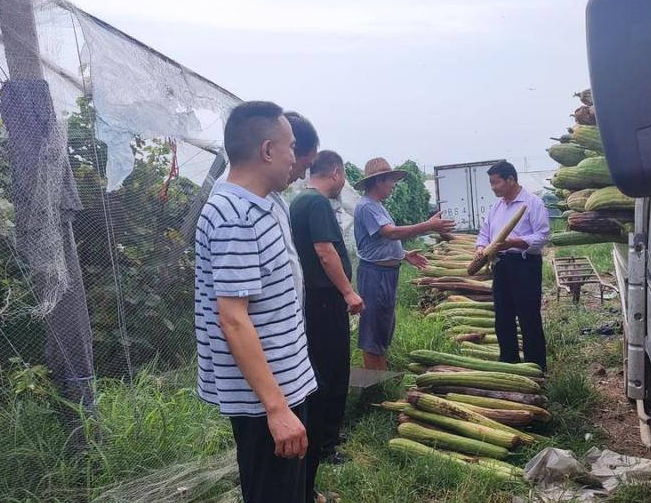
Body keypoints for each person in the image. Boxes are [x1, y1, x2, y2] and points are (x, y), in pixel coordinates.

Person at [195, 101, 316, 503]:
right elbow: (233, 319)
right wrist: (277, 409)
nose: (294, 159)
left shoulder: (267, 203)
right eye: (291, 148)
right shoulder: (234, 215)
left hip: (284, 385)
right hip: (265, 400)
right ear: (267, 151)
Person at [290, 150, 363, 502]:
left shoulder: (297, 201)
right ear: (335, 173)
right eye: (343, 177)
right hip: (324, 298)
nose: (343, 184)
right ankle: (324, 445)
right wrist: (348, 291)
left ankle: (325, 435)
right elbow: (324, 251)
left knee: (322, 367)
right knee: (333, 369)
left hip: (312, 299)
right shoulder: (317, 203)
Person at [353, 157, 456, 370]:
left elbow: (380, 242)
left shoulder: (377, 206)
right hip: (375, 275)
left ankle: (380, 377)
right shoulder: (367, 207)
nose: (393, 186)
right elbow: (389, 233)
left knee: (383, 327)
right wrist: (428, 226)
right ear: (379, 181)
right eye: (391, 181)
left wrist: (403, 254)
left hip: (384, 273)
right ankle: (375, 386)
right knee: (374, 330)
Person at [474, 160, 551, 371]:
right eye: (490, 183)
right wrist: (481, 248)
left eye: (495, 182)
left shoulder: (533, 203)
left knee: (528, 317)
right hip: (501, 265)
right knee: (503, 316)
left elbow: (542, 236)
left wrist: (513, 242)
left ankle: (535, 368)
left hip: (524, 265)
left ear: (510, 180)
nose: (492, 187)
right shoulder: (497, 207)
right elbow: (484, 233)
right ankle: (509, 364)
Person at [268, 111, 319, 307]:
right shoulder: (237, 202)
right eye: (305, 165)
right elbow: (234, 313)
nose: (302, 175)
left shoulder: (274, 198)